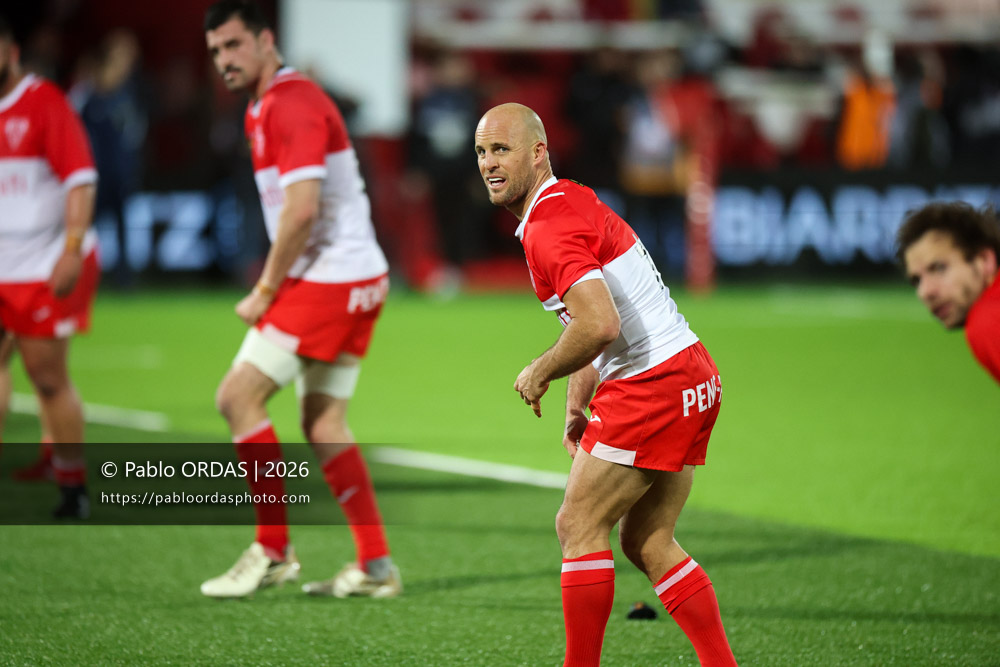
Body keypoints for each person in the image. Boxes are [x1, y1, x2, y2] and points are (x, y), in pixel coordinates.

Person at [475, 102, 737, 666]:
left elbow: (599, 324)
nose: (489, 164)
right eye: (481, 152)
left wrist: (538, 371)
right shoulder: (569, 200)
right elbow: (591, 319)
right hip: (693, 374)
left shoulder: (546, 225)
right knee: (647, 541)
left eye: (502, 149)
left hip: (654, 382)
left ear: (538, 152)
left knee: (578, 523)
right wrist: (578, 400)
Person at [201, 0, 400, 599]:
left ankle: (273, 549)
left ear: (266, 40)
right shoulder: (266, 107)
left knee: (238, 397)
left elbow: (303, 209)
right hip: (356, 277)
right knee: (323, 420)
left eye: (234, 45)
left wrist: (265, 289)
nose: (224, 61)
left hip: (332, 280)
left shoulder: (290, 102)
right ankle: (374, 567)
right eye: (215, 52)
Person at [0, 15, 99, 519]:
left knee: (46, 377)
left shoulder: (43, 104)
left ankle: (72, 487)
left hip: (43, 261)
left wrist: (72, 249)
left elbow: (80, 179)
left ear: (10, 49)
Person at [897, 201, 1000, 383]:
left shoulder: (987, 320)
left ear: (984, 260)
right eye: (916, 280)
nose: (925, 292)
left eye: (939, 268)